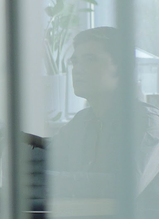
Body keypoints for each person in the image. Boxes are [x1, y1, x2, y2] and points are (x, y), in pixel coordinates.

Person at [50, 27, 159, 205]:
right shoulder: (82, 121)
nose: (77, 69)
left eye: (90, 59)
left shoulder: (147, 121)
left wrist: (51, 181)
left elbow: (123, 186)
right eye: (75, 62)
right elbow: (50, 160)